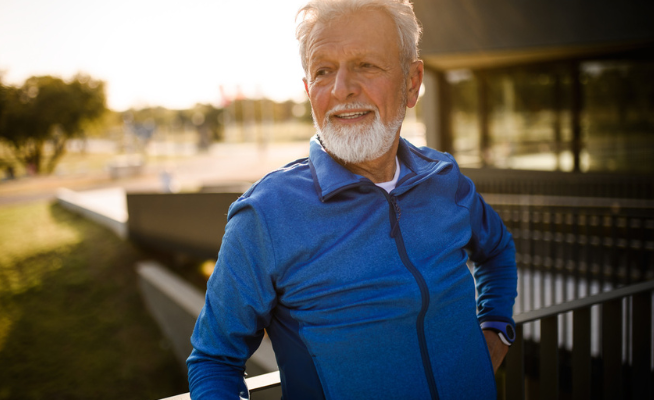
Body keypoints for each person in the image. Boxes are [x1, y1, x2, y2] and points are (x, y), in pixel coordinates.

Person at [187, 1, 517, 398]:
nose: (342, 89)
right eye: (323, 71)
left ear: (412, 82)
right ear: (310, 90)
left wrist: (496, 327)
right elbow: (214, 360)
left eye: (365, 65)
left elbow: (497, 250)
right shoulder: (265, 214)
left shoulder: (444, 178)